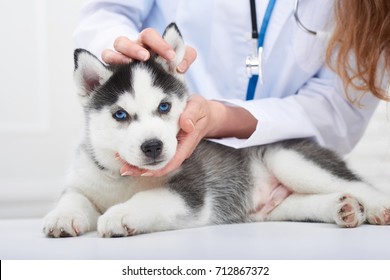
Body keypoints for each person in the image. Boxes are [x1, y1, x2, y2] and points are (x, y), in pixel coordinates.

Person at [73, 0, 389, 177]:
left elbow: (338, 109)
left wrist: (224, 118)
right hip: (166, 172)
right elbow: (108, 11)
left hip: (282, 174)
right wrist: (122, 52)